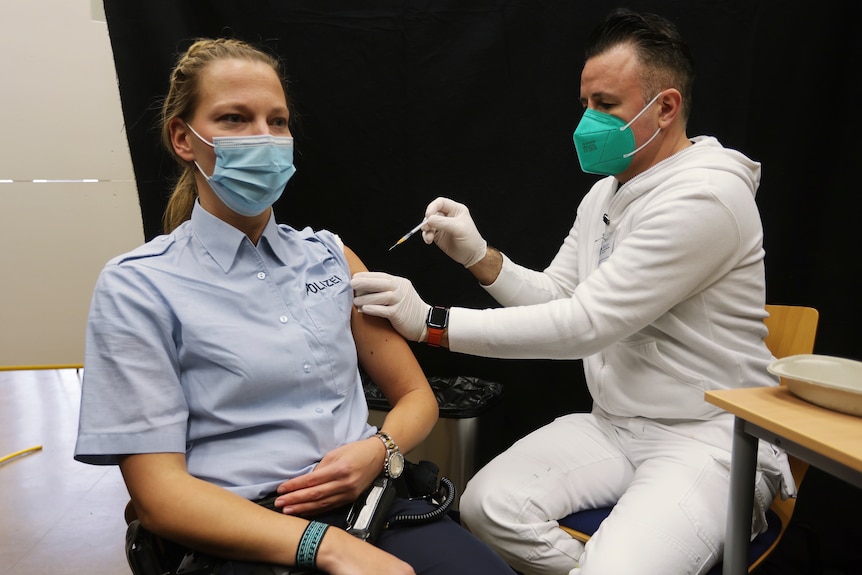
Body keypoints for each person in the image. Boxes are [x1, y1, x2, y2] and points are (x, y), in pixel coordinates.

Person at [351, 9, 793, 575]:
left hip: (705, 438)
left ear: (666, 107)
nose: (587, 121)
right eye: (585, 104)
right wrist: (479, 257)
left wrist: (432, 322)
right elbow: (558, 295)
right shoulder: (608, 193)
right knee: (488, 509)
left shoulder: (705, 197)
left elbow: (584, 325)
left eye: (606, 104)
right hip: (613, 423)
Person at [74, 38, 513, 575]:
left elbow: (416, 396)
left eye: (277, 121)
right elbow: (159, 497)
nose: (263, 138)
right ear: (182, 138)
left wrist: (379, 449)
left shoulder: (331, 259)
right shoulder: (138, 287)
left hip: (373, 504)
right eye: (235, 119)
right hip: (239, 527)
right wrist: (332, 549)